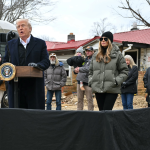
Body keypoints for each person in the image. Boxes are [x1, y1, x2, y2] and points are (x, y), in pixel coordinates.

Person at [3, 19, 50, 109]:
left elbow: (46, 61)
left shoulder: (40, 43)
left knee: (34, 116)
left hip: (34, 86)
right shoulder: (10, 44)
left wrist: (38, 66)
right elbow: (5, 62)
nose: (20, 28)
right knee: (17, 116)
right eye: (18, 26)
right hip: (16, 86)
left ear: (30, 29)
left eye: (23, 26)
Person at [88, 31, 128, 111]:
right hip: (98, 88)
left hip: (111, 88)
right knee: (101, 112)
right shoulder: (96, 55)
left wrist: (116, 81)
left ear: (110, 41)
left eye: (105, 39)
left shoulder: (117, 54)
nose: (103, 40)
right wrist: (91, 81)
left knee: (107, 112)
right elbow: (90, 72)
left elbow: (124, 71)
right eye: (101, 39)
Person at [74, 46, 94, 111]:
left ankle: (91, 114)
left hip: (88, 82)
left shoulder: (94, 60)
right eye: (86, 51)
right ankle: (79, 113)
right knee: (79, 99)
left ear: (92, 52)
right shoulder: (84, 59)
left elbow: (89, 69)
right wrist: (75, 70)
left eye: (89, 51)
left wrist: (79, 69)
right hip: (80, 81)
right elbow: (78, 67)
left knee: (89, 99)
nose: (87, 52)